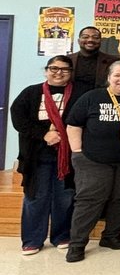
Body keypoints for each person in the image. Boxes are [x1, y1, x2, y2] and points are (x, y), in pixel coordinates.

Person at [64, 61, 120, 262]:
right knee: (89, 201)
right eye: (117, 75)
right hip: (93, 160)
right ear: (109, 77)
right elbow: (73, 124)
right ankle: (77, 244)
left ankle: (111, 236)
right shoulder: (92, 97)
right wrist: (77, 152)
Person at [10, 55, 82, 254]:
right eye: (54, 68)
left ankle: (61, 235)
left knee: (65, 197)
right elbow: (19, 119)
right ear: (46, 70)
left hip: (67, 157)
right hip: (36, 156)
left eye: (64, 69)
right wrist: (44, 134)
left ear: (71, 72)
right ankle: (32, 239)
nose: (59, 73)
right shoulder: (31, 93)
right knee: (35, 196)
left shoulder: (80, 93)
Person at [69, 27, 117, 92]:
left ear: (100, 41)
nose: (90, 40)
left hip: (101, 99)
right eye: (85, 37)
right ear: (78, 41)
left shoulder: (113, 61)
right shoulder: (68, 60)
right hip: (73, 100)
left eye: (95, 37)